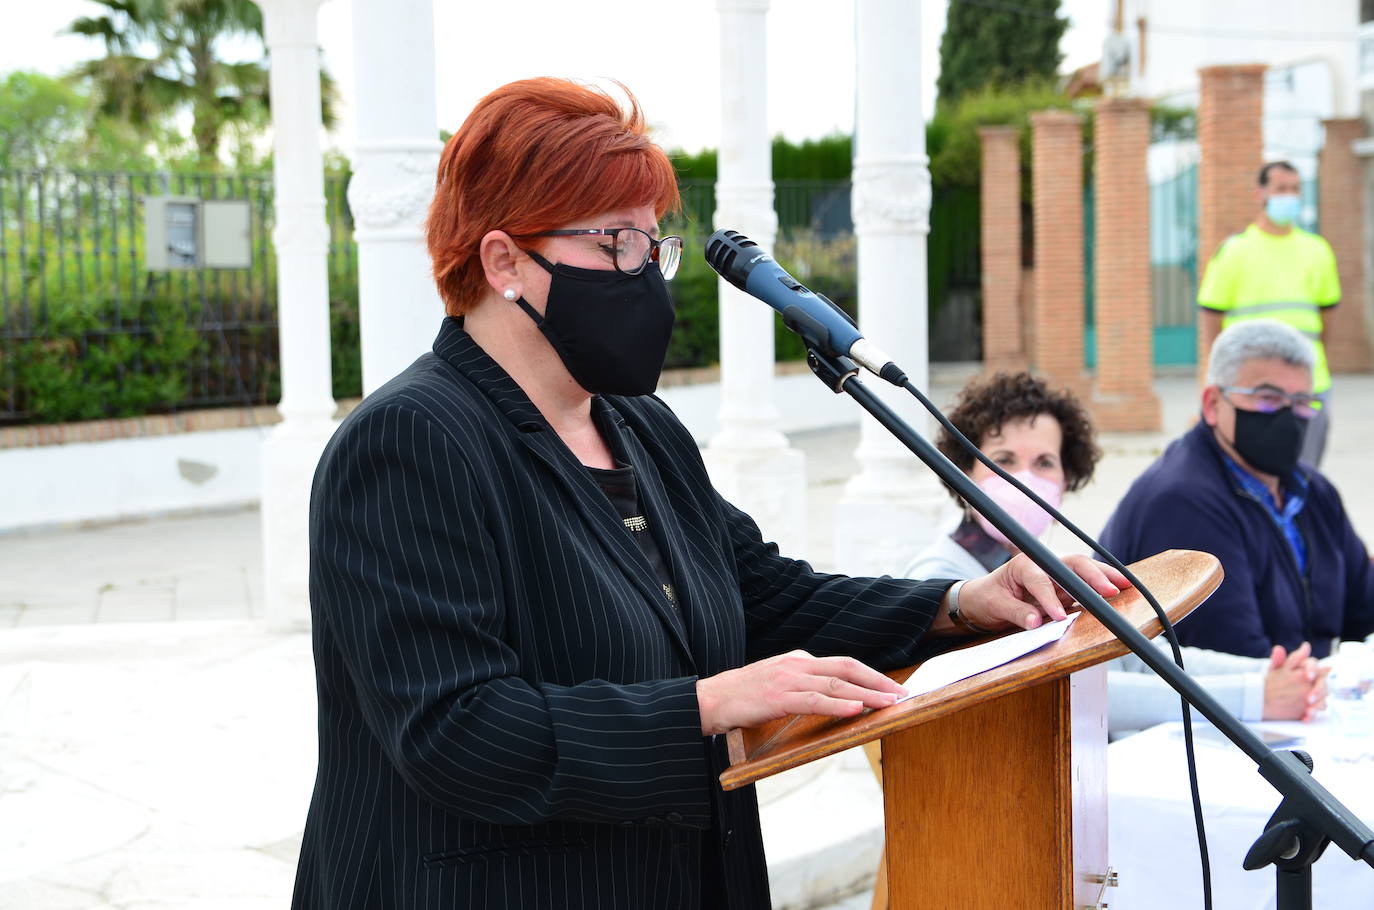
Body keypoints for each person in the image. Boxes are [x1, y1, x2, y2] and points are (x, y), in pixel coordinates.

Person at [290, 78, 1126, 910]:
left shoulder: (639, 426)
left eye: (654, 245)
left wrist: (964, 603)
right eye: (614, 243)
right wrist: (709, 703)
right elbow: (455, 730)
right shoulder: (409, 442)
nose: (644, 274)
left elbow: (764, 596)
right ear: (504, 260)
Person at [903, 372, 1327, 738]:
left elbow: (1137, 659)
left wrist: (1263, 674)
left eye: (1045, 462)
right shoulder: (943, 581)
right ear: (962, 471)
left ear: (1067, 480)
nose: (1023, 478)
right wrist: (1252, 698)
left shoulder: (1051, 568)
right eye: (1003, 459)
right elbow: (1057, 691)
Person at [1100, 321, 1374, 664]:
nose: (1288, 417)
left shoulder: (1312, 492)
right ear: (1213, 404)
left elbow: (1364, 609)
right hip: (1232, 707)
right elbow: (1234, 662)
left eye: (1302, 401)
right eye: (1268, 399)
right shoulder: (1184, 502)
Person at [1197, 160, 1341, 466]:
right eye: (1280, 189)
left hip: (1308, 387)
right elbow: (1211, 319)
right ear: (1260, 194)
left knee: (1304, 475)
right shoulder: (1234, 251)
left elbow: (1327, 317)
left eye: (1294, 189)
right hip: (1252, 391)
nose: (1288, 196)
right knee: (1248, 472)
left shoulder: (1317, 250)